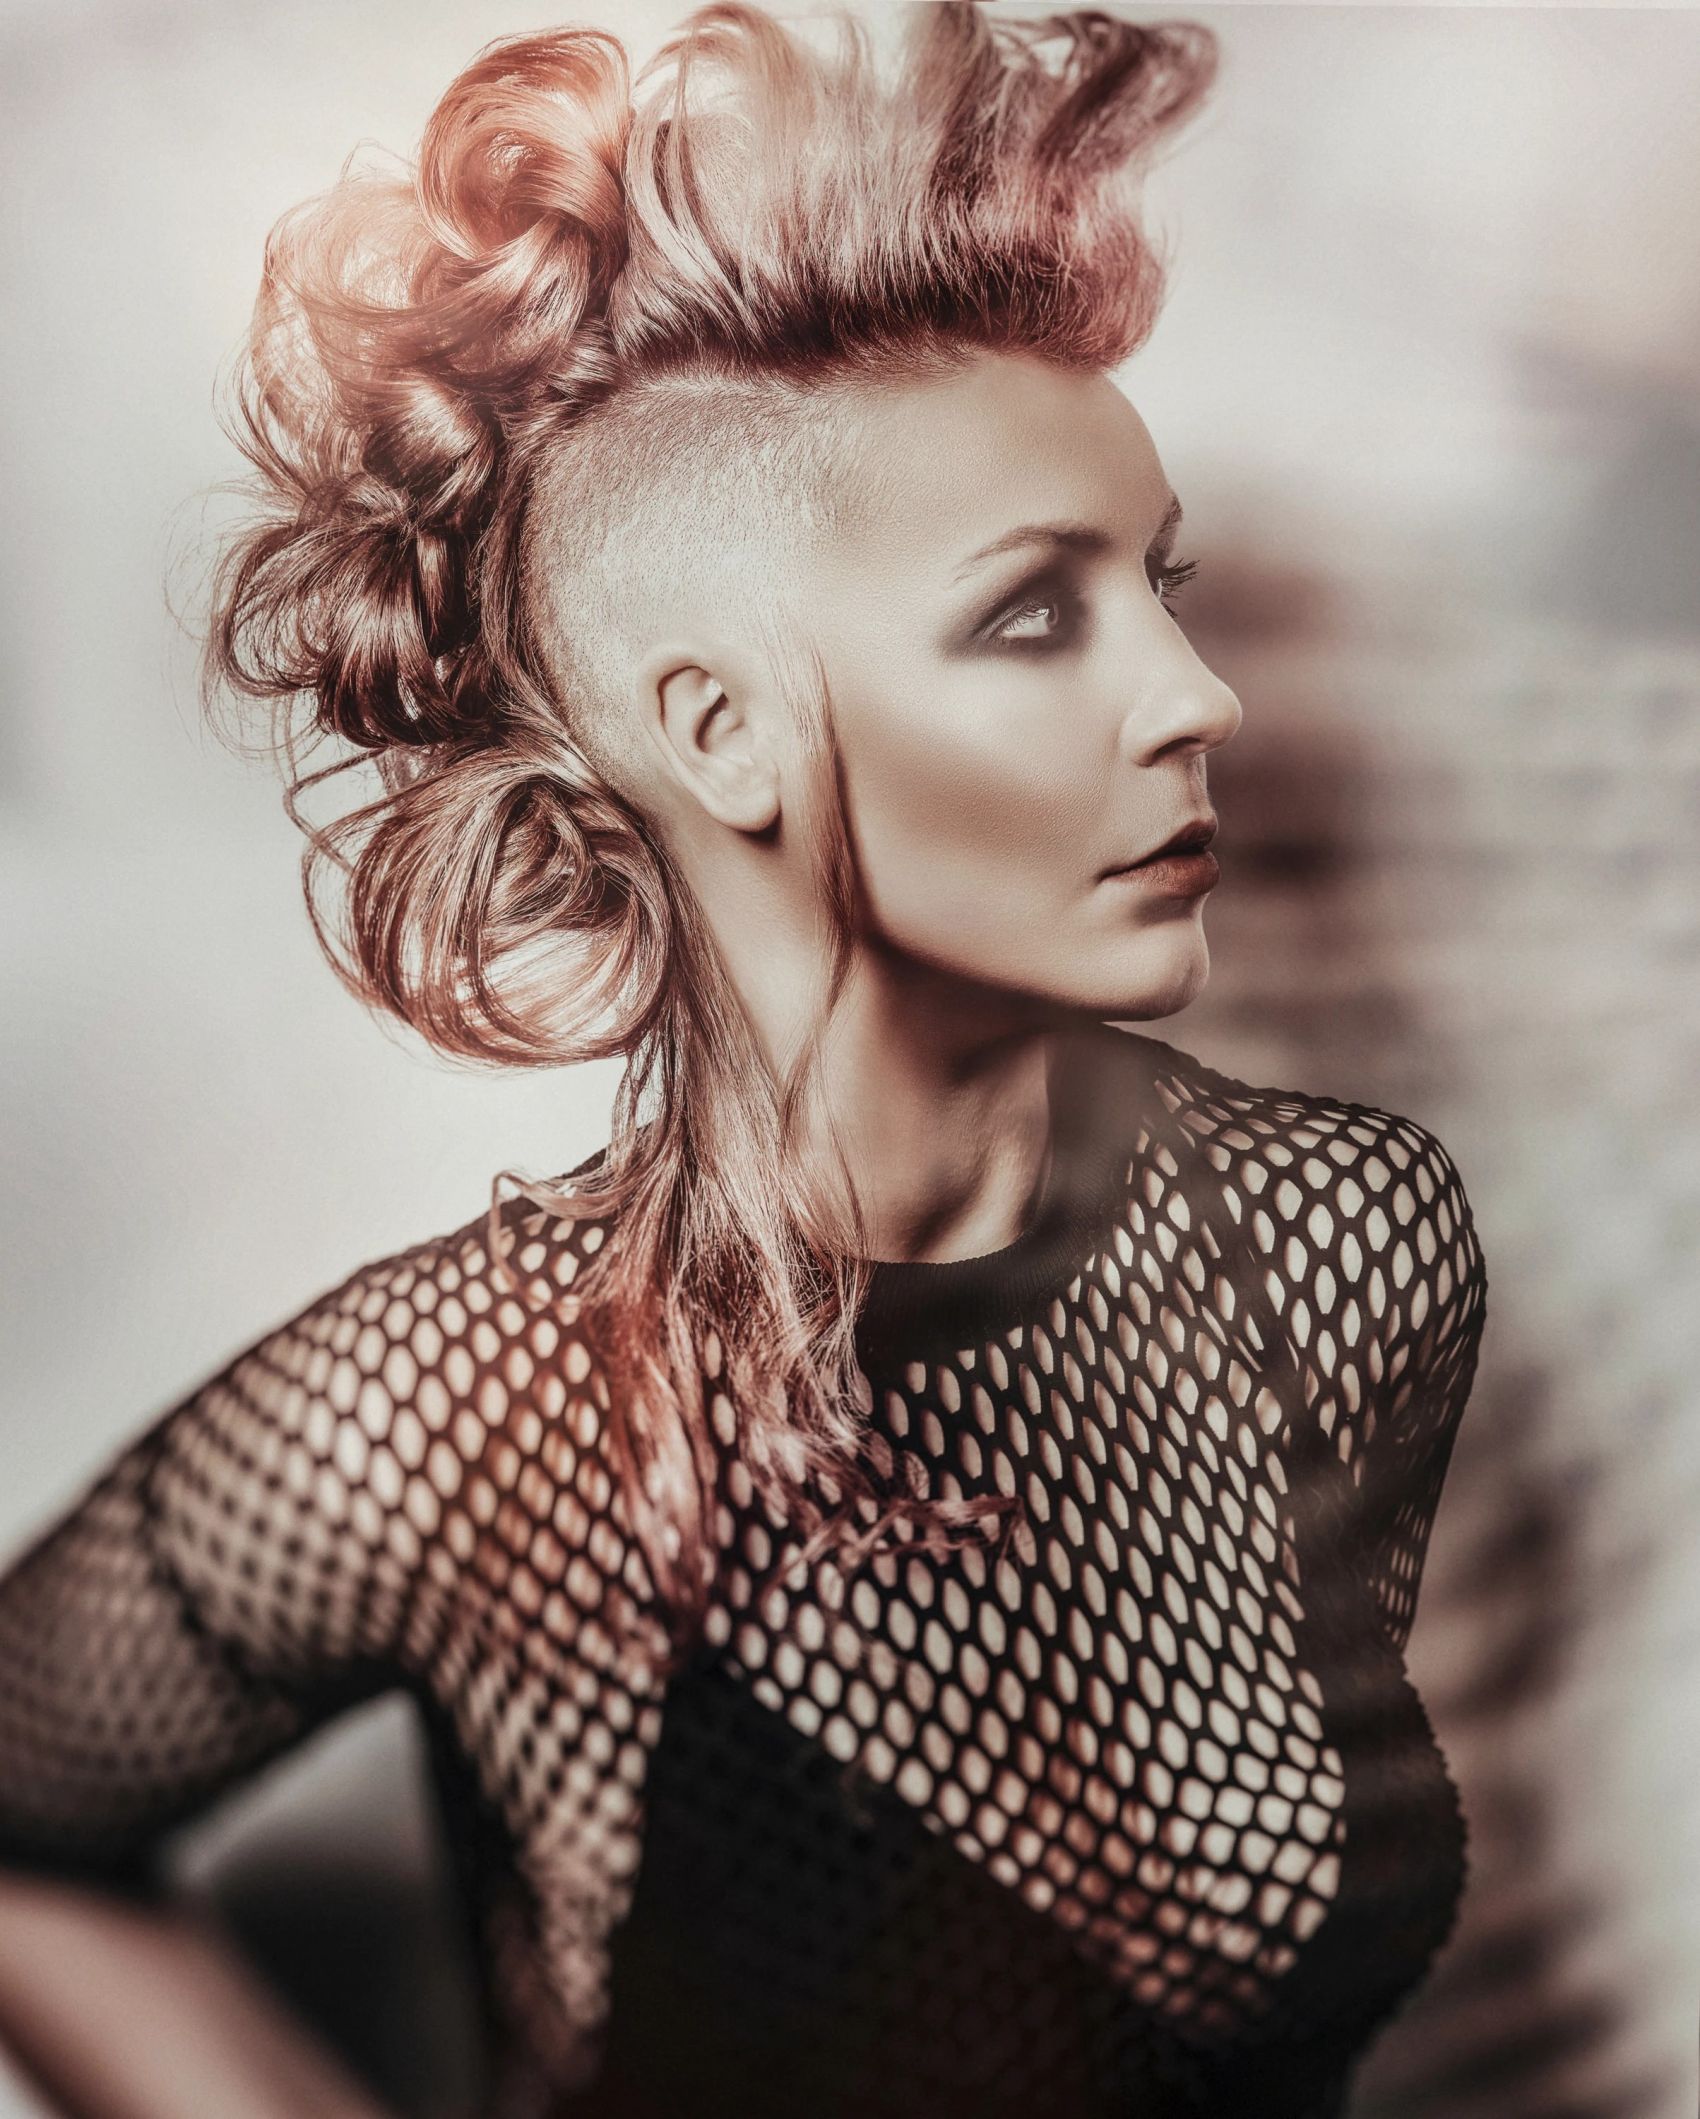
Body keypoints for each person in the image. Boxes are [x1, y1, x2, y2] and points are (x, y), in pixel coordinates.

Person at [0, 5, 1490, 2116]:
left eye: (1156, 586)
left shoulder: (1342, 1241)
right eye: (1033, 617)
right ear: (719, 733)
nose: (1197, 698)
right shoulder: (444, 1419)